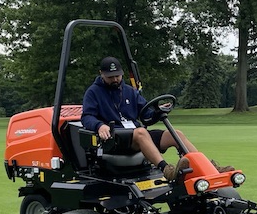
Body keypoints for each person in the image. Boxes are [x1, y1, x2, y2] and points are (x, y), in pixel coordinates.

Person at [81, 56, 234, 181]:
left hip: (138, 136)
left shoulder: (129, 91)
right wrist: (100, 126)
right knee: (141, 132)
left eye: (117, 76)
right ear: (101, 74)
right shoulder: (94, 92)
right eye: (110, 77)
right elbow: (87, 117)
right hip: (115, 139)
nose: (115, 80)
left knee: (176, 134)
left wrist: (157, 111)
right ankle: (166, 169)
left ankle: (208, 168)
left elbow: (145, 113)